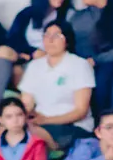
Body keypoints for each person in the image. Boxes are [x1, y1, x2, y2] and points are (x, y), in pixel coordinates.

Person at [0, 0, 72, 105]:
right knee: (2, 52)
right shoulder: (27, 14)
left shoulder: (67, 15)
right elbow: (12, 40)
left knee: (15, 72)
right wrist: (32, 53)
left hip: (50, 61)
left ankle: (19, 107)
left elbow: (70, 44)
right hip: (28, 59)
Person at [18, 20, 94, 148]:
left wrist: (46, 120)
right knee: (12, 130)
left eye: (56, 36)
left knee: (30, 136)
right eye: (46, 35)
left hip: (72, 125)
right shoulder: (34, 66)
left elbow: (81, 111)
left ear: (67, 40)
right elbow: (27, 103)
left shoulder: (79, 65)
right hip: (40, 123)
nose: (50, 40)